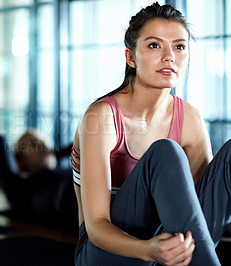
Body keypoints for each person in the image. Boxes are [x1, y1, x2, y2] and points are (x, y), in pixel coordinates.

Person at [72, 3, 230, 265]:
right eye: (155, 45)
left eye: (179, 47)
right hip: (109, 251)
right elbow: (97, 227)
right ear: (131, 57)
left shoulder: (190, 118)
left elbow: (200, 212)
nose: (170, 56)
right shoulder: (101, 117)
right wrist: (149, 250)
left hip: (171, 248)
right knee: (165, 151)